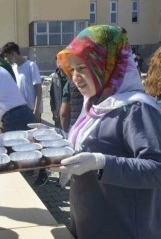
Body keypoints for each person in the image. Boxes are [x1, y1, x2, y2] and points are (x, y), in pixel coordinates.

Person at [49, 25, 161, 239]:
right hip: (90, 223)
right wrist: (53, 140)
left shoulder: (135, 109)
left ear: (107, 65)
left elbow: (157, 169)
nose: (75, 77)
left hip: (122, 228)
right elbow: (95, 143)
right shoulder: (98, 104)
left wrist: (102, 162)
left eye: (82, 68)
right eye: (72, 69)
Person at [1, 41, 48, 185]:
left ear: (14, 53)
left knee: (37, 142)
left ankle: (43, 172)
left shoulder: (31, 66)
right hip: (21, 112)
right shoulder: (14, 68)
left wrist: (36, 109)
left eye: (8, 57)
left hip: (32, 111)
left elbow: (38, 89)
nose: (7, 60)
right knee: (25, 142)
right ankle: (30, 167)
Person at [49, 58, 68, 129]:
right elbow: (52, 96)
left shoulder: (71, 76)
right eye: (58, 62)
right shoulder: (54, 77)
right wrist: (54, 111)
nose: (60, 64)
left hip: (70, 113)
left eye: (61, 61)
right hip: (58, 113)